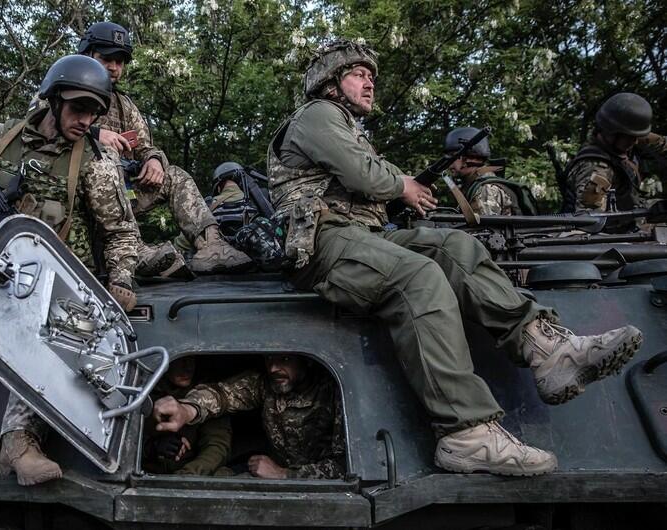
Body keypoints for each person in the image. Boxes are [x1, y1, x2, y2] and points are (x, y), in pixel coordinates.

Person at [264, 39, 642, 476]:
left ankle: (548, 349)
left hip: (362, 237)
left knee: (455, 246)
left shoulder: (348, 127)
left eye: (371, 76)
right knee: (418, 276)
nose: (369, 83)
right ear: (330, 83)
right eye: (358, 74)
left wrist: (403, 189)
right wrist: (402, 185)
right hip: (321, 243)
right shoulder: (318, 114)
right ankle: (465, 433)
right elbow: (362, 174)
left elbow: (370, 181)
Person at [0, 55, 140, 486]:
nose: (85, 120)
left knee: (45, 339)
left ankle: (20, 442)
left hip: (60, 280)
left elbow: (122, 232)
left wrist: (121, 279)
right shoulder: (4, 135)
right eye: (78, 108)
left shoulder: (97, 163)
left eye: (93, 113)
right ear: (53, 101)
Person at [76, 22, 251, 274]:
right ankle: (135, 251)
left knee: (175, 176)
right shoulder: (65, 87)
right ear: (87, 54)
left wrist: (154, 160)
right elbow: (39, 128)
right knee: (108, 158)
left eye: (119, 61)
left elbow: (145, 146)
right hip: (82, 191)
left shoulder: (123, 105)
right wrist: (94, 134)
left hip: (124, 191)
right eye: (106, 59)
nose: (113, 67)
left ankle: (211, 246)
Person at [153, 355, 345, 479]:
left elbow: (345, 466)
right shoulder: (266, 383)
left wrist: (284, 474)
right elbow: (223, 394)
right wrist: (187, 409)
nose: (273, 368)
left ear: (307, 360)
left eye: (284, 359)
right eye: (269, 358)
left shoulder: (336, 392)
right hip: (270, 474)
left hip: (320, 488)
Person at [563, 92, 667, 213]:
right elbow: (591, 217)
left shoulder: (625, 137)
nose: (635, 141)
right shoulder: (597, 169)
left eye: (636, 136)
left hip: (632, 207)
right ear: (611, 131)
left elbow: (661, 143)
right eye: (630, 137)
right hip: (616, 220)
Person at [143, 357, 232, 476]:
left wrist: (185, 475)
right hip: (146, 473)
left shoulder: (208, 396)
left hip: (189, 474)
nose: (188, 368)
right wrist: (151, 447)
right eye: (181, 360)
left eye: (192, 359)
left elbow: (216, 447)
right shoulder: (142, 391)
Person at [444, 127, 537, 216]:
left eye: (453, 156)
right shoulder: (476, 183)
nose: (449, 163)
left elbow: (485, 227)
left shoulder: (486, 188)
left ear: (471, 157)